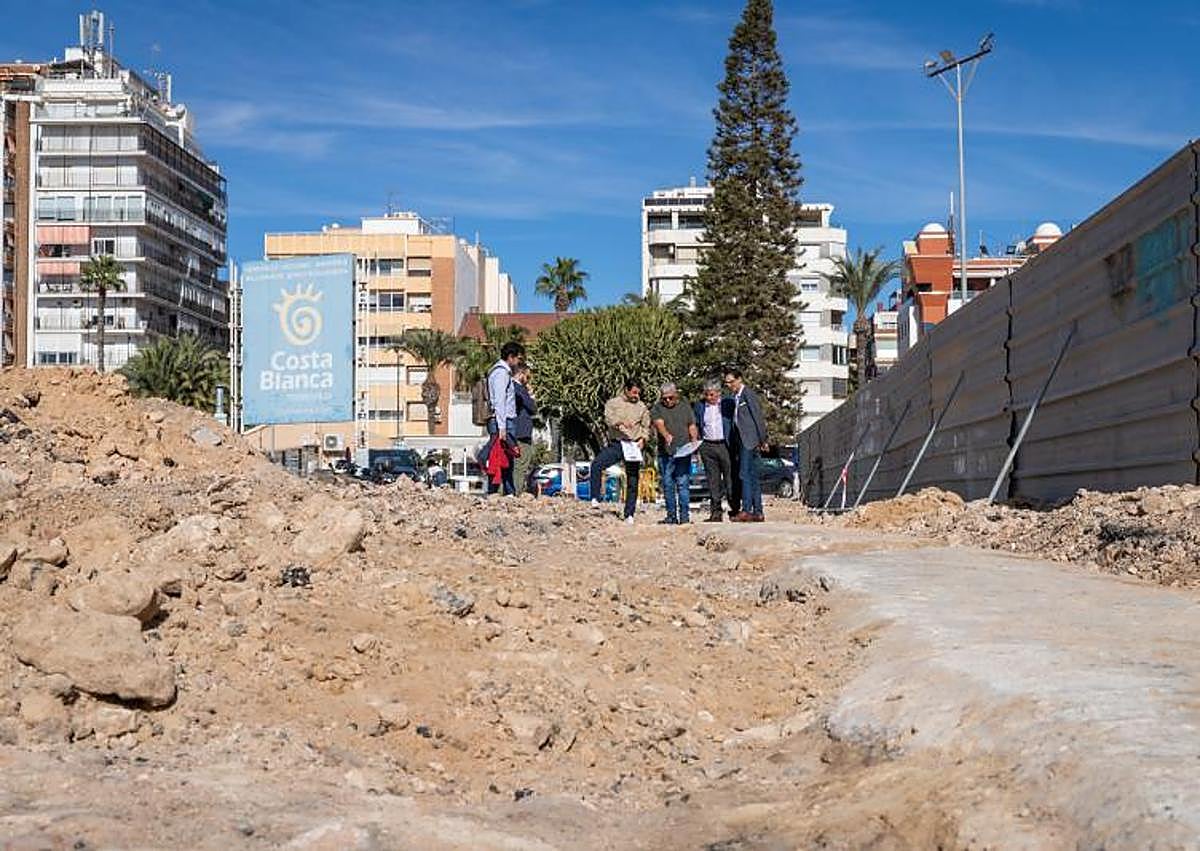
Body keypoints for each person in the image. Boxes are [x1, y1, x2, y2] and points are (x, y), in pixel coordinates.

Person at [589, 378, 650, 525]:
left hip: (634, 446)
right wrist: (620, 423)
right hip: (617, 444)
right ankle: (595, 498)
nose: (636, 395)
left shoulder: (642, 407)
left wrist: (643, 439)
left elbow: (646, 426)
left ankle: (629, 513)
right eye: (634, 392)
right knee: (597, 464)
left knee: (633, 479)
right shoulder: (613, 403)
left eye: (638, 393)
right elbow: (609, 418)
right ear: (627, 390)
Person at [724, 368, 768, 522]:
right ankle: (758, 511)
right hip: (742, 440)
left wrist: (763, 439)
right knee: (753, 475)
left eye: (731, 381)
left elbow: (757, 416)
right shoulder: (735, 397)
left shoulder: (748, 394)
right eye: (727, 382)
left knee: (745, 474)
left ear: (739, 379)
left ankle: (747, 509)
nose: (729, 385)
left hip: (749, 440)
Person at [650, 382, 698, 524]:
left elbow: (691, 425)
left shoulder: (685, 406)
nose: (667, 401)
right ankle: (671, 516)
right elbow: (659, 424)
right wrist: (666, 436)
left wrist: (694, 440)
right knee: (667, 483)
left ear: (676, 394)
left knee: (683, 484)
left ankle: (684, 517)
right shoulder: (658, 408)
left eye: (670, 398)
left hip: (683, 451)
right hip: (666, 452)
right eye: (664, 398)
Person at [485, 341, 525, 495]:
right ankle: (497, 492)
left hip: (503, 422)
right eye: (518, 359)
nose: (518, 362)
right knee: (499, 458)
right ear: (510, 357)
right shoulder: (501, 373)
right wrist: (502, 427)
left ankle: (508, 492)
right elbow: (499, 401)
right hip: (503, 422)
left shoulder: (500, 372)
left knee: (505, 459)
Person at [694, 379, 735, 522]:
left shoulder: (727, 403)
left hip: (725, 445)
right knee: (713, 481)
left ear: (718, 393)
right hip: (708, 446)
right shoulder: (700, 406)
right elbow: (697, 424)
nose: (708, 397)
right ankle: (716, 513)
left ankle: (734, 509)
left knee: (730, 479)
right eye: (706, 394)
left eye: (711, 394)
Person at [511, 364, 538, 494]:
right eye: (527, 376)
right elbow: (532, 408)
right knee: (521, 464)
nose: (528, 379)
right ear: (521, 374)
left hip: (514, 431)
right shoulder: (519, 389)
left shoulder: (511, 387)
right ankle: (517, 492)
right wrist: (531, 395)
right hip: (521, 432)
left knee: (514, 465)